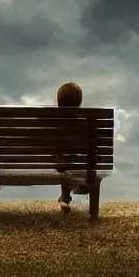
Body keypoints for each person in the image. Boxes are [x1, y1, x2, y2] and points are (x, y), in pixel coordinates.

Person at [55, 82, 89, 213]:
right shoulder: (85, 122)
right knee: (75, 165)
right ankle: (78, 186)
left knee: (64, 164)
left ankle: (65, 197)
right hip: (79, 162)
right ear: (79, 102)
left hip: (59, 161)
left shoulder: (52, 122)